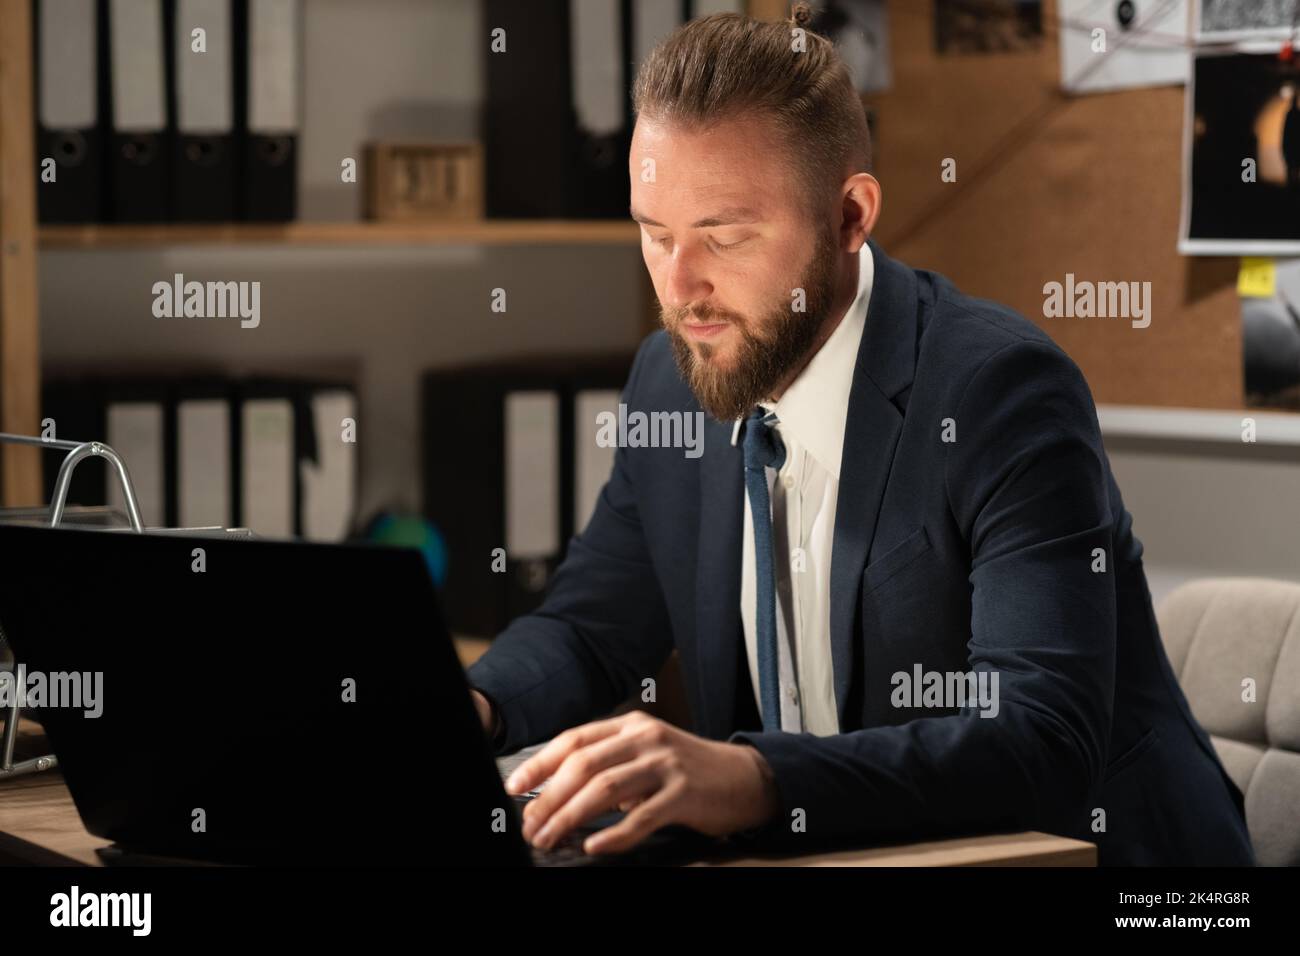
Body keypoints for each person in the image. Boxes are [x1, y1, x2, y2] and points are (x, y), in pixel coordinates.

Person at [466, 6, 1255, 866]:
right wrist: (475, 708)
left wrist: (749, 778)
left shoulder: (1001, 393)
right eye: (654, 235)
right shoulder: (673, 379)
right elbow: (589, 630)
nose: (680, 286)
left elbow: (1038, 741)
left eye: (724, 237)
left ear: (849, 215)